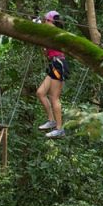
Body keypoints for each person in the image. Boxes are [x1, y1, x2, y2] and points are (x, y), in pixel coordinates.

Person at [36, 10, 68, 139]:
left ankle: (60, 129)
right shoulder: (50, 33)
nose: (44, 22)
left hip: (59, 64)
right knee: (40, 93)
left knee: (54, 97)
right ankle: (52, 120)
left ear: (51, 21)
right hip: (54, 64)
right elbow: (47, 53)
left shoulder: (55, 31)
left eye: (46, 20)